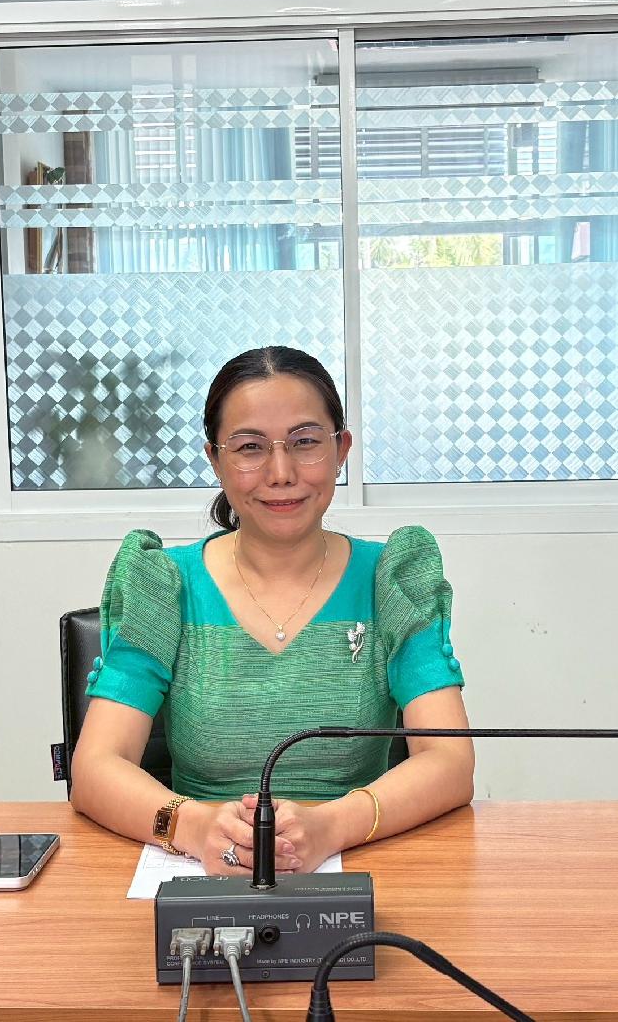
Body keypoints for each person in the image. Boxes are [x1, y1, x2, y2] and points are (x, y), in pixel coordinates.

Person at [70, 346, 474, 875]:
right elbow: (95, 768)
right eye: (249, 448)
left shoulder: (390, 580)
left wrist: (330, 826)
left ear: (341, 449)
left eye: (305, 442)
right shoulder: (165, 586)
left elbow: (451, 762)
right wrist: (194, 827)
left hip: (361, 859)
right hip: (203, 867)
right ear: (215, 459)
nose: (281, 473)